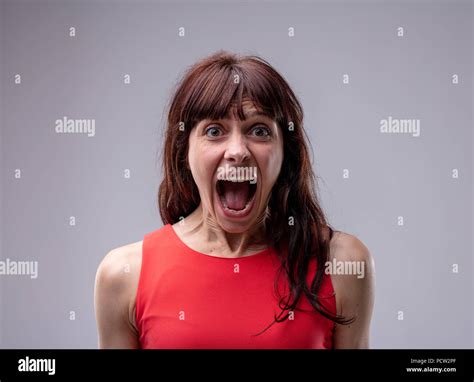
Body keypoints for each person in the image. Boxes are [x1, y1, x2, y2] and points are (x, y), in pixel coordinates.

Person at [94, 50, 375, 349]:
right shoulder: (124, 275)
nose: (237, 150)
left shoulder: (341, 263)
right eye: (214, 131)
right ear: (184, 152)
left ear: (285, 155)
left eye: (259, 130)